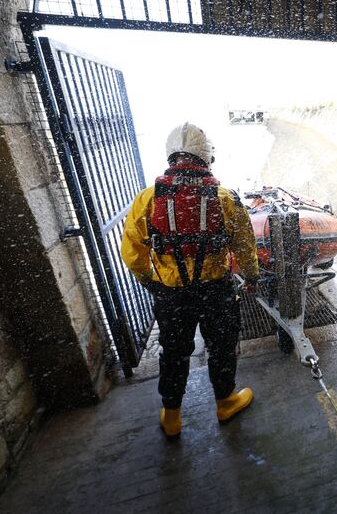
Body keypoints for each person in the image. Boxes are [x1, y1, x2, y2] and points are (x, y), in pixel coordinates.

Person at [121, 122, 260, 438]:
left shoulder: (148, 198)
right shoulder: (226, 198)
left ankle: (172, 416)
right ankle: (225, 402)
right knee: (222, 347)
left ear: (171, 157)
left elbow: (131, 251)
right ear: (207, 158)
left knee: (173, 351)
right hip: (216, 291)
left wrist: (150, 282)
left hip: (171, 295)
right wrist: (251, 276)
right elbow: (244, 244)